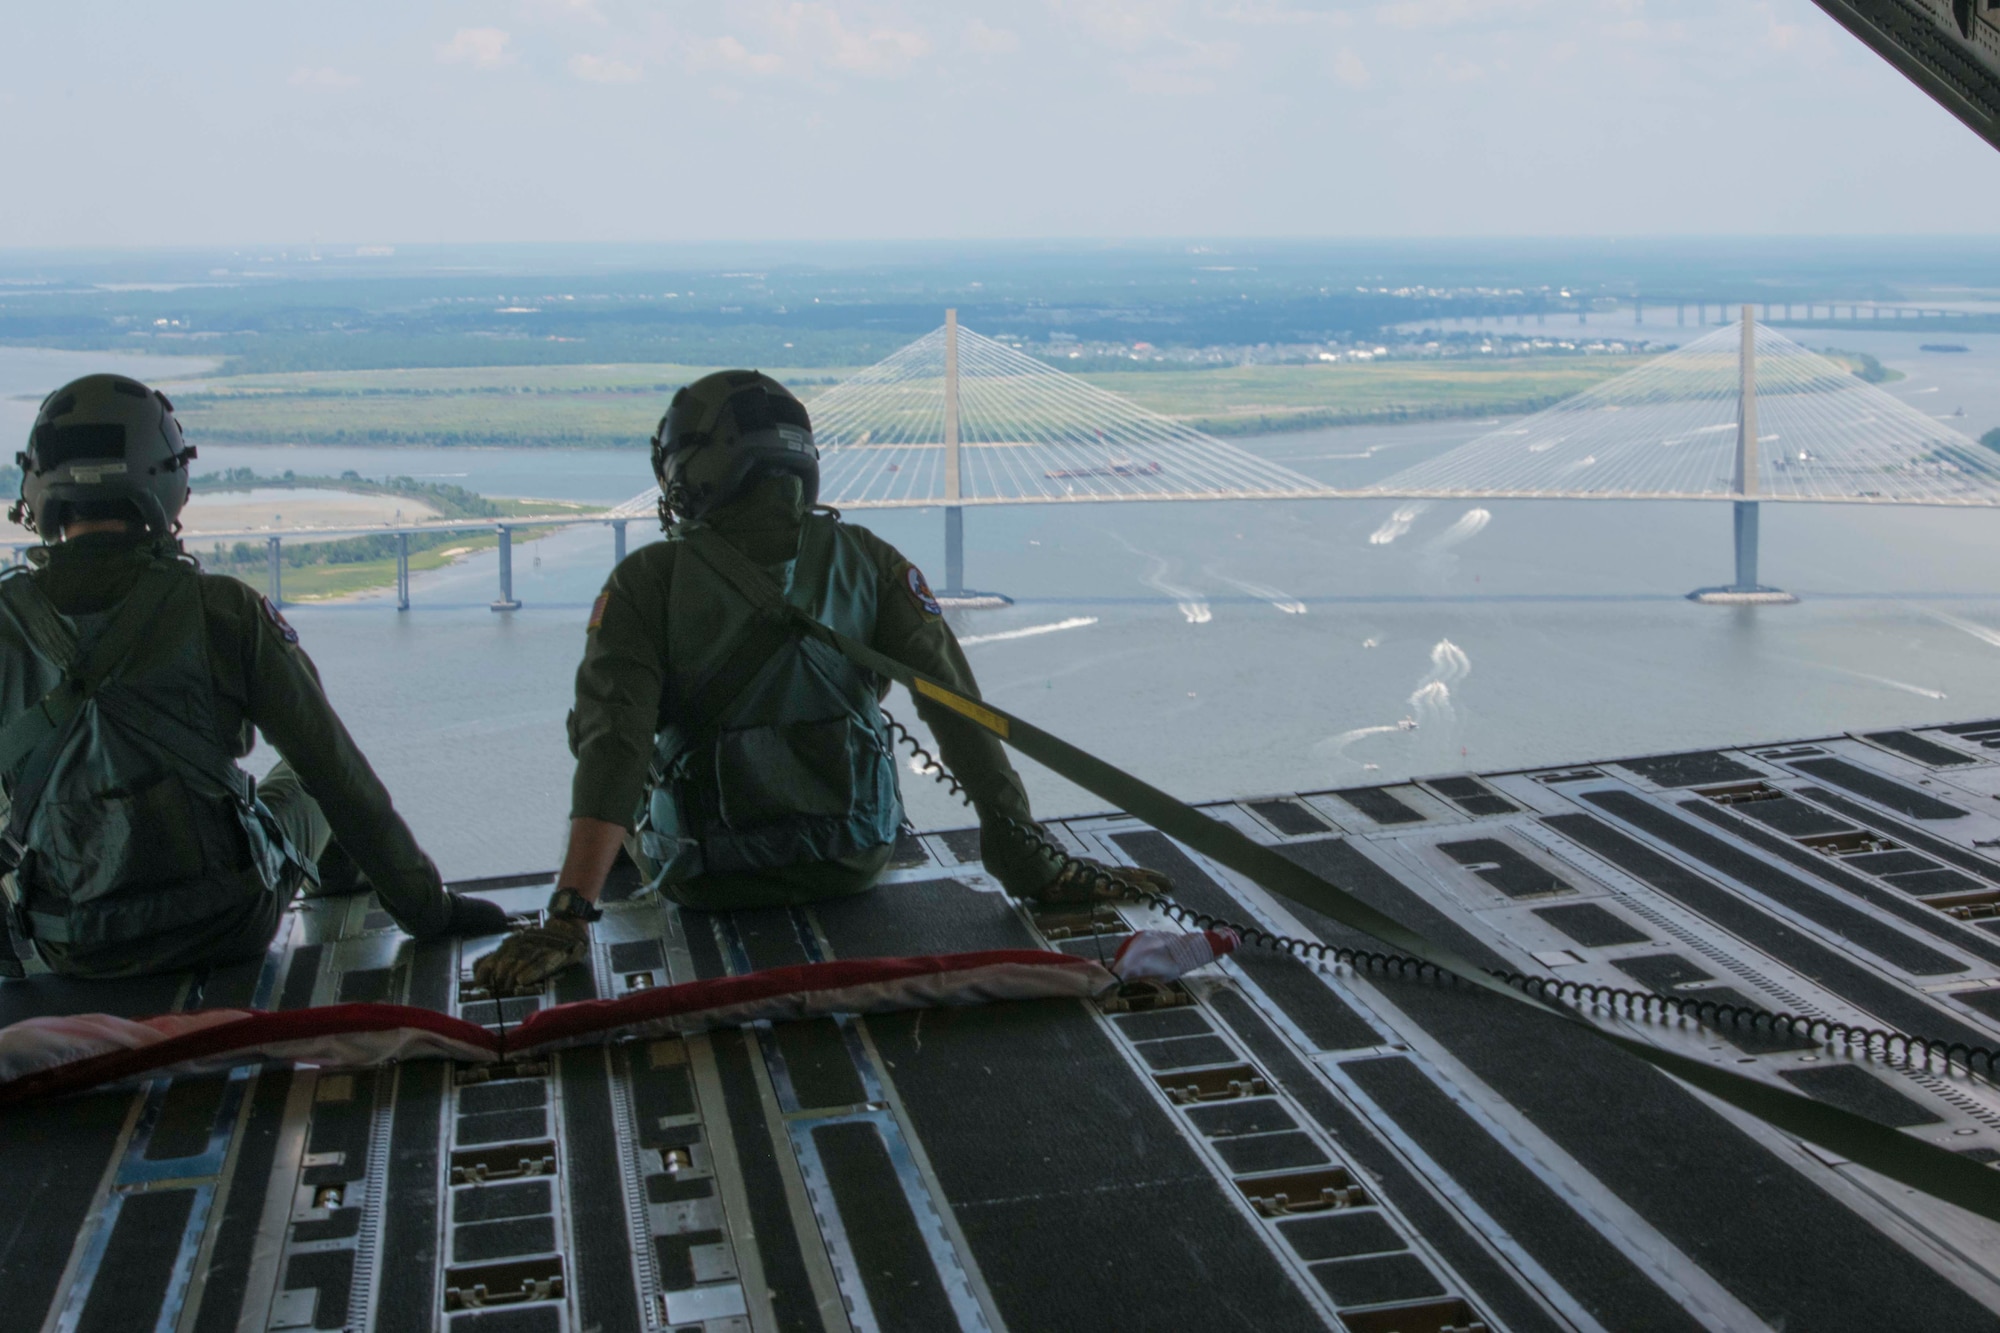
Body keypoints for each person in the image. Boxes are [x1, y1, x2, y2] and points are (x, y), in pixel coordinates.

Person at [475, 371, 1165, 991]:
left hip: (705, 877)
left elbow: (611, 749)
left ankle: (598, 890)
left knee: (596, 727)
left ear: (693, 467)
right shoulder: (870, 560)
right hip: (855, 857)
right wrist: (1028, 854)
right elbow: (962, 714)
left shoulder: (645, 582)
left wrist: (567, 918)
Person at [0, 374, 507, 980]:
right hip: (225, 922)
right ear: (168, 479)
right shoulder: (222, 609)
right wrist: (430, 913)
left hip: (71, 945)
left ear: (37, 485)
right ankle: (339, 896)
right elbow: (337, 774)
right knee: (307, 769)